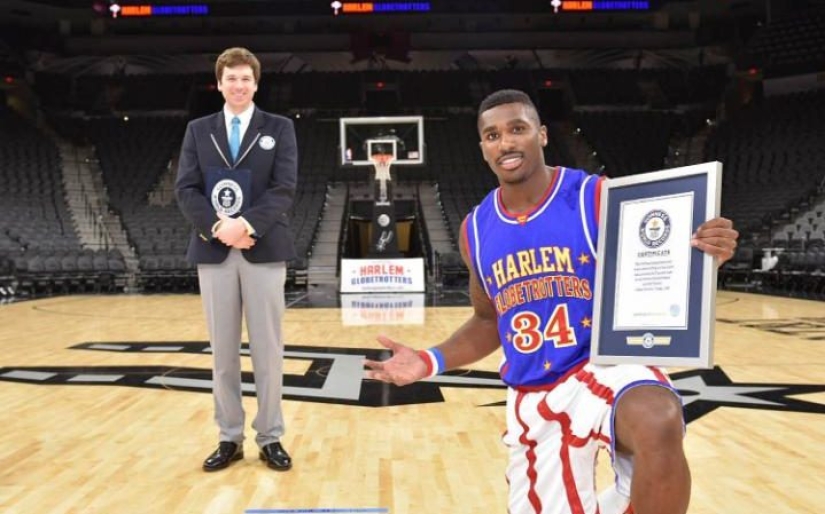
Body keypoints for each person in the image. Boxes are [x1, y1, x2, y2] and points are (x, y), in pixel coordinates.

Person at [365, 89, 739, 514]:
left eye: (517, 129)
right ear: (483, 147)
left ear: (541, 135)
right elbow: (489, 321)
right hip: (533, 392)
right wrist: (428, 361)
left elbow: (659, 259)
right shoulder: (476, 229)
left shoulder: (593, 196)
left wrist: (704, 254)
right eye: (492, 135)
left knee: (658, 417)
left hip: (601, 364)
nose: (505, 143)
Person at [175, 47, 297, 472]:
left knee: (268, 351)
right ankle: (229, 437)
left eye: (246, 78)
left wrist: (244, 225)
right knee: (222, 354)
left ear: (256, 83)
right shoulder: (198, 130)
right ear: (220, 83)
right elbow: (186, 189)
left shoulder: (279, 128)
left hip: (262, 248)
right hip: (213, 249)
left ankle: (270, 438)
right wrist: (217, 227)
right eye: (231, 78)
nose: (239, 85)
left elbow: (283, 188)